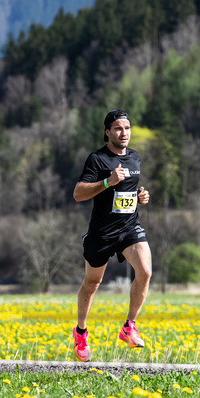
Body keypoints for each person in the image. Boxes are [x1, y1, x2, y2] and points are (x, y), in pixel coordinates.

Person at [72, 109, 152, 361]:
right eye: (118, 128)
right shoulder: (97, 159)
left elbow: (129, 192)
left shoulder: (135, 158)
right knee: (92, 283)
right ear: (108, 132)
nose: (124, 133)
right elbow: (78, 193)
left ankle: (129, 327)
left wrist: (141, 196)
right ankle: (81, 332)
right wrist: (107, 182)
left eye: (127, 128)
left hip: (129, 228)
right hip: (102, 233)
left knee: (146, 272)